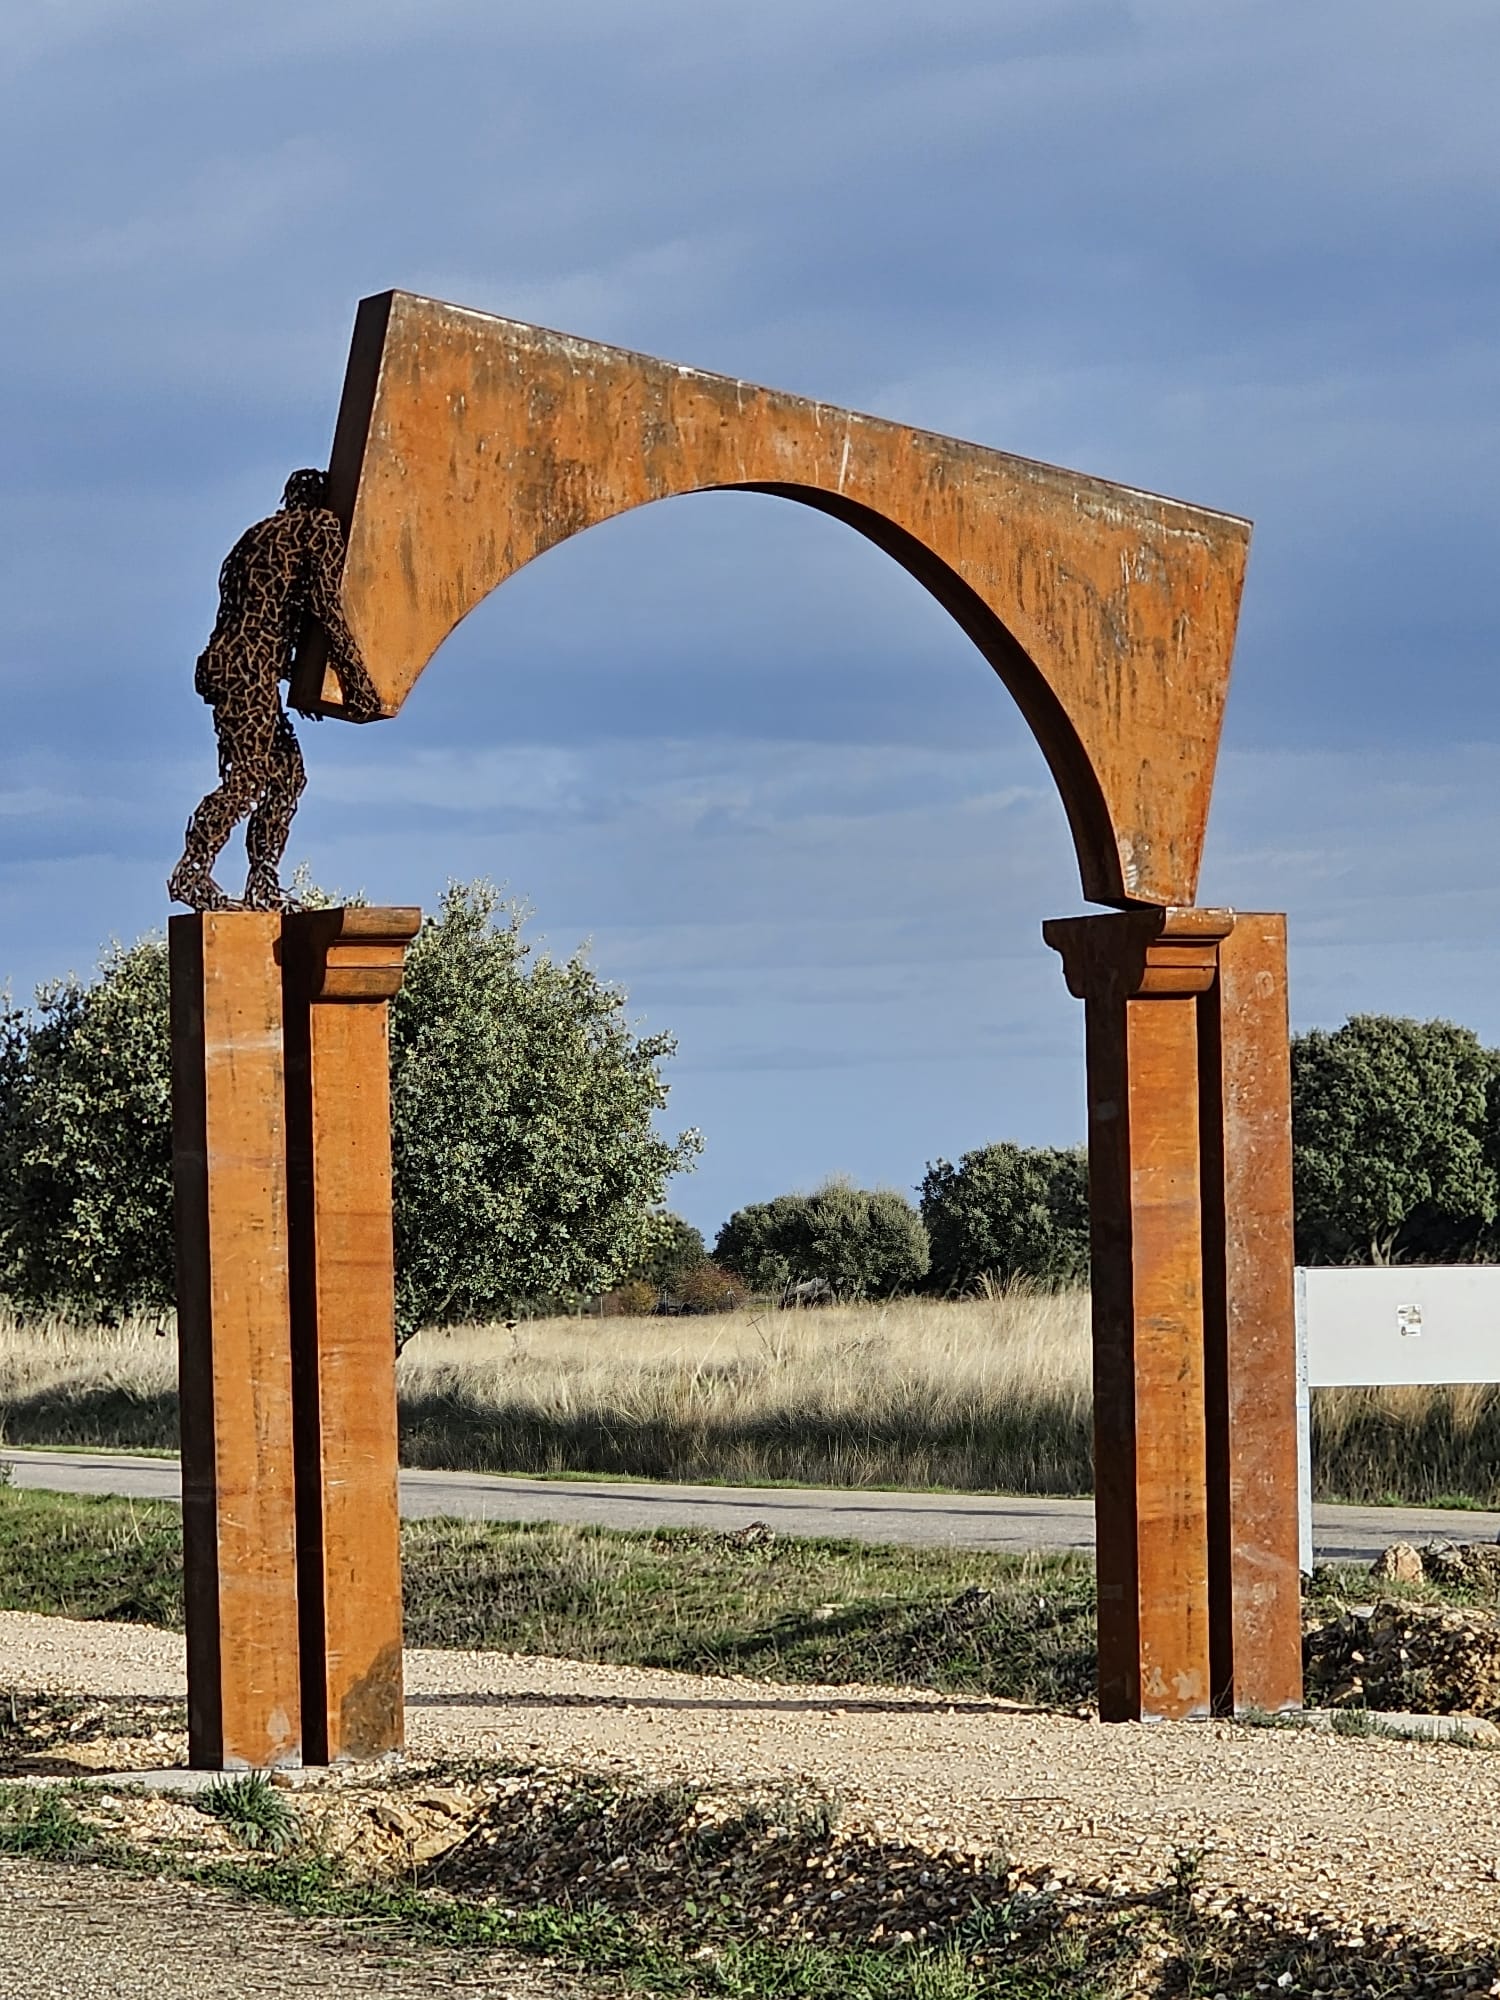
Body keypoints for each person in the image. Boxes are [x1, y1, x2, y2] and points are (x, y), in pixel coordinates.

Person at [167, 468, 382, 913]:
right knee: (247, 777)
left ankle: (262, 882)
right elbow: (325, 608)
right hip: (250, 674)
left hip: (233, 667)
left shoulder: (252, 537)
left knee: (285, 775)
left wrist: (289, 676)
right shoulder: (317, 528)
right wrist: (359, 684)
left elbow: (249, 613)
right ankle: (192, 872)